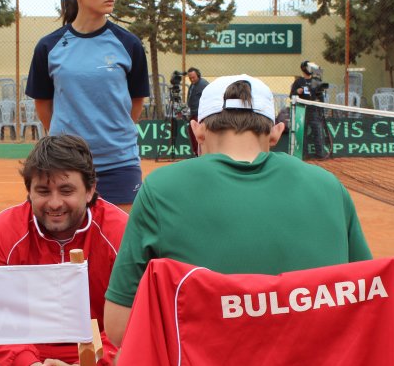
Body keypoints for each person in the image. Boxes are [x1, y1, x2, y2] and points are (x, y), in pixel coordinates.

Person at [103, 74, 372, 346]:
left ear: (197, 130)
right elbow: (370, 304)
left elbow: (118, 327)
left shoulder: (159, 189)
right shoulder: (329, 187)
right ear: (277, 132)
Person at [0, 134, 127, 366]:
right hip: (34, 346)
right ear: (28, 191)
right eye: (43, 191)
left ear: (89, 191)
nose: (54, 203)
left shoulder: (119, 232)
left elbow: (137, 316)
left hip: (100, 345)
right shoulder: (3, 232)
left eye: (66, 190)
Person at [25, 0, 150, 209]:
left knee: (120, 242)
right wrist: (66, 145)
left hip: (119, 163)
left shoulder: (129, 44)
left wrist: (112, 136)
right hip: (66, 164)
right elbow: (43, 104)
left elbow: (136, 101)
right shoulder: (49, 47)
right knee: (66, 241)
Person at [289, 60, 328, 160]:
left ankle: (320, 154)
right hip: (302, 111)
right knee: (302, 133)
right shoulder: (299, 82)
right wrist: (297, 91)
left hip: (314, 110)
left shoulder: (316, 81)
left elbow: (321, 97)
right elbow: (291, 95)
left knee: (317, 132)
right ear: (304, 69)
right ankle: (304, 154)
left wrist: (321, 109)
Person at [185, 68, 208, 156]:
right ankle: (196, 153)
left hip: (200, 114)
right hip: (193, 113)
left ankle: (200, 153)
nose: (192, 79)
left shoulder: (204, 84)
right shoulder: (192, 85)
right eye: (190, 78)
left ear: (198, 75)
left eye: (193, 77)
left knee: (198, 135)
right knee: (192, 134)